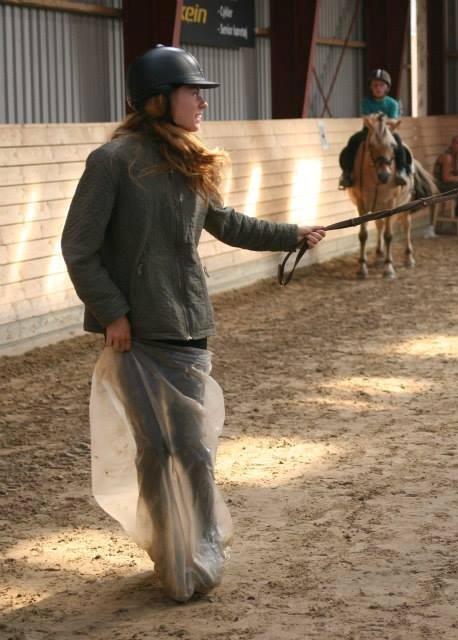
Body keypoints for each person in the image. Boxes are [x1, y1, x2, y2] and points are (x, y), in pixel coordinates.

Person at [61, 44, 325, 602]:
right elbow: (78, 248)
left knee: (195, 448)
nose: (202, 102)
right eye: (192, 93)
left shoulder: (191, 160)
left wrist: (292, 233)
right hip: (138, 333)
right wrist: (113, 313)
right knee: (157, 449)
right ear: (158, 100)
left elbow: (227, 223)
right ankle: (170, 551)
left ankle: (201, 546)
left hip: (190, 324)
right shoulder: (111, 163)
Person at [339, 69, 413, 189]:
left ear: (386, 88)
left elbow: (393, 121)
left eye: (381, 85)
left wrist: (379, 120)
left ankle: (401, 171)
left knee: (399, 142)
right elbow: (367, 120)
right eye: (375, 85)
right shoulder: (366, 102)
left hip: (387, 132)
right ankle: (347, 173)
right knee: (353, 141)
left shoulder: (393, 103)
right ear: (371, 88)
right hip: (369, 131)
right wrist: (381, 120)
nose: (378, 88)